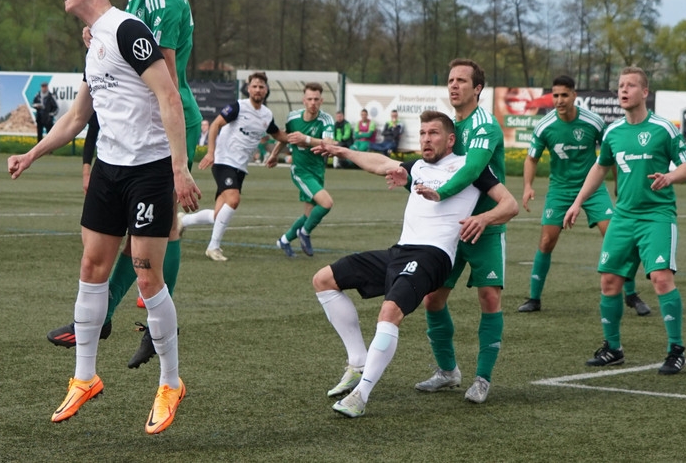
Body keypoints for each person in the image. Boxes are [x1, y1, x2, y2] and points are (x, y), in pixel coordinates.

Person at [7, 0, 200, 433]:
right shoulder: (93, 43)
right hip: (110, 171)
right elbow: (78, 116)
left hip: (149, 170)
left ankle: (170, 383)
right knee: (91, 268)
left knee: (148, 278)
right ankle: (85, 378)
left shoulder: (129, 30)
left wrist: (179, 169)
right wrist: (33, 153)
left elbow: (169, 96)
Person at [52, 0, 204, 371]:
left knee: (162, 229)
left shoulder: (163, 1)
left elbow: (164, 81)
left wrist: (176, 163)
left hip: (169, 122)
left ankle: (146, 330)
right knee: (134, 237)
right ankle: (102, 317)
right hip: (143, 126)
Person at [311, 111, 519, 418]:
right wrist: (341, 150)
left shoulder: (469, 168)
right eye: (422, 133)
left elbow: (510, 204)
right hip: (400, 251)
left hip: (433, 256)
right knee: (324, 279)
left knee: (389, 312)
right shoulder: (417, 167)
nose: (426, 139)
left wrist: (483, 218)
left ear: (450, 139)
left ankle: (360, 395)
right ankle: (358, 361)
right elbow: (379, 163)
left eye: (433, 133)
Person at [563, 66, 686, 375]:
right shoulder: (613, 132)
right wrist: (577, 202)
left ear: (644, 92)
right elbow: (600, 168)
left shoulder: (663, 128)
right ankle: (613, 349)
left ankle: (676, 350)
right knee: (609, 281)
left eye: (630, 85)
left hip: (657, 216)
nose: (623, 90)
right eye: (620, 85)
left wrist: (669, 176)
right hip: (623, 216)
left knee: (661, 278)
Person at [517, 75, 650, 316]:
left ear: (574, 96)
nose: (559, 100)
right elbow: (531, 158)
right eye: (555, 95)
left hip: (593, 189)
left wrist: (619, 184)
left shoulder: (593, 122)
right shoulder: (545, 125)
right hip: (560, 190)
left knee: (614, 237)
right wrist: (527, 186)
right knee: (546, 241)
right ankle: (534, 298)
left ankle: (631, 295)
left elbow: (611, 154)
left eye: (564, 95)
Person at [179, 72, 289, 261]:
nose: (257, 89)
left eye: (261, 87)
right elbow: (215, 125)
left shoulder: (266, 115)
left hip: (240, 167)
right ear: (248, 89)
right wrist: (211, 152)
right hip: (224, 161)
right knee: (234, 199)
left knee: (218, 215)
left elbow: (280, 135)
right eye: (254, 86)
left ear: (266, 90)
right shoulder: (238, 107)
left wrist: (297, 139)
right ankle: (213, 247)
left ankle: (183, 220)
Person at [267, 83, 335, 257]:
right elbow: (285, 137)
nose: (313, 103)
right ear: (303, 100)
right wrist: (274, 154)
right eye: (310, 99)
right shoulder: (293, 118)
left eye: (316, 99)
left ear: (321, 101)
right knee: (326, 203)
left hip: (318, 171)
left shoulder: (326, 119)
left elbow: (329, 144)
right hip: (300, 171)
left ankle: (284, 240)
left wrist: (305, 139)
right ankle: (304, 233)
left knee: (308, 215)